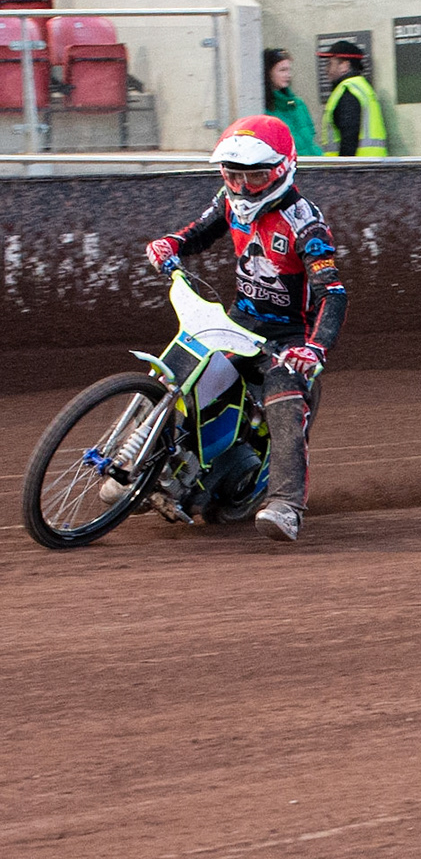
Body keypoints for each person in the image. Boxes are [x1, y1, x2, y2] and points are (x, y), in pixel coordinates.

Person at [143, 116, 348, 543]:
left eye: (254, 177)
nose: (242, 188)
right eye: (233, 176)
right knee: (175, 371)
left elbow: (333, 291)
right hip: (239, 320)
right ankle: (149, 461)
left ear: (280, 170)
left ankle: (287, 506)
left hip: (289, 337)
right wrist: (172, 244)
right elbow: (199, 233)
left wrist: (314, 350)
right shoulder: (228, 199)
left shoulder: (305, 222)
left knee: (285, 404)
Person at [317, 40, 387, 157]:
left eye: (330, 64)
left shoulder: (348, 91)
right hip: (369, 167)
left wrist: (343, 170)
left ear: (344, 66)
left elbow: (349, 138)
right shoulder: (362, 88)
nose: (326, 69)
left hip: (357, 170)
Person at [261, 48, 321, 157]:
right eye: (282, 70)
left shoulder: (298, 104)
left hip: (312, 165)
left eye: (289, 70)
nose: (288, 75)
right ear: (268, 73)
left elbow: (311, 139)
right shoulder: (264, 111)